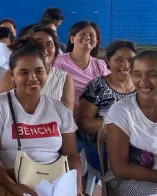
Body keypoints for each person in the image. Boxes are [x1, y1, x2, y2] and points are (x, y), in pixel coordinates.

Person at [0, 38, 82, 196]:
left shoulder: (60, 110)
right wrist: (14, 187)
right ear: (12, 75)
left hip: (54, 185)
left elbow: (72, 156)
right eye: (24, 72)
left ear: (47, 72)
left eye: (39, 71)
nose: (32, 77)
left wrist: (75, 188)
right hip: (10, 182)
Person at [78, 40, 136, 172]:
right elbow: (83, 123)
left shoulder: (142, 85)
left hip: (139, 146)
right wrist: (117, 124)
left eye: (131, 60)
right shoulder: (97, 86)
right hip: (101, 148)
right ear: (108, 61)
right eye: (119, 60)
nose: (125, 65)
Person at [104, 50, 157, 196]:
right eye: (137, 74)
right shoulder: (121, 111)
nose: (144, 81)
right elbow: (120, 168)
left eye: (153, 74)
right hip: (126, 180)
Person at [0, 25, 75, 110]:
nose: (45, 48)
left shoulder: (64, 79)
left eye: (49, 44)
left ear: (56, 51)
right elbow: (1, 110)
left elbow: (67, 117)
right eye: (39, 43)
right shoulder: (11, 75)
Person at [53, 21, 110, 111]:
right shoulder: (58, 62)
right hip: (66, 114)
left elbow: (109, 92)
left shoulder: (100, 65)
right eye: (82, 34)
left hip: (94, 115)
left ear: (96, 42)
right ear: (72, 39)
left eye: (91, 35)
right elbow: (53, 94)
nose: (87, 37)